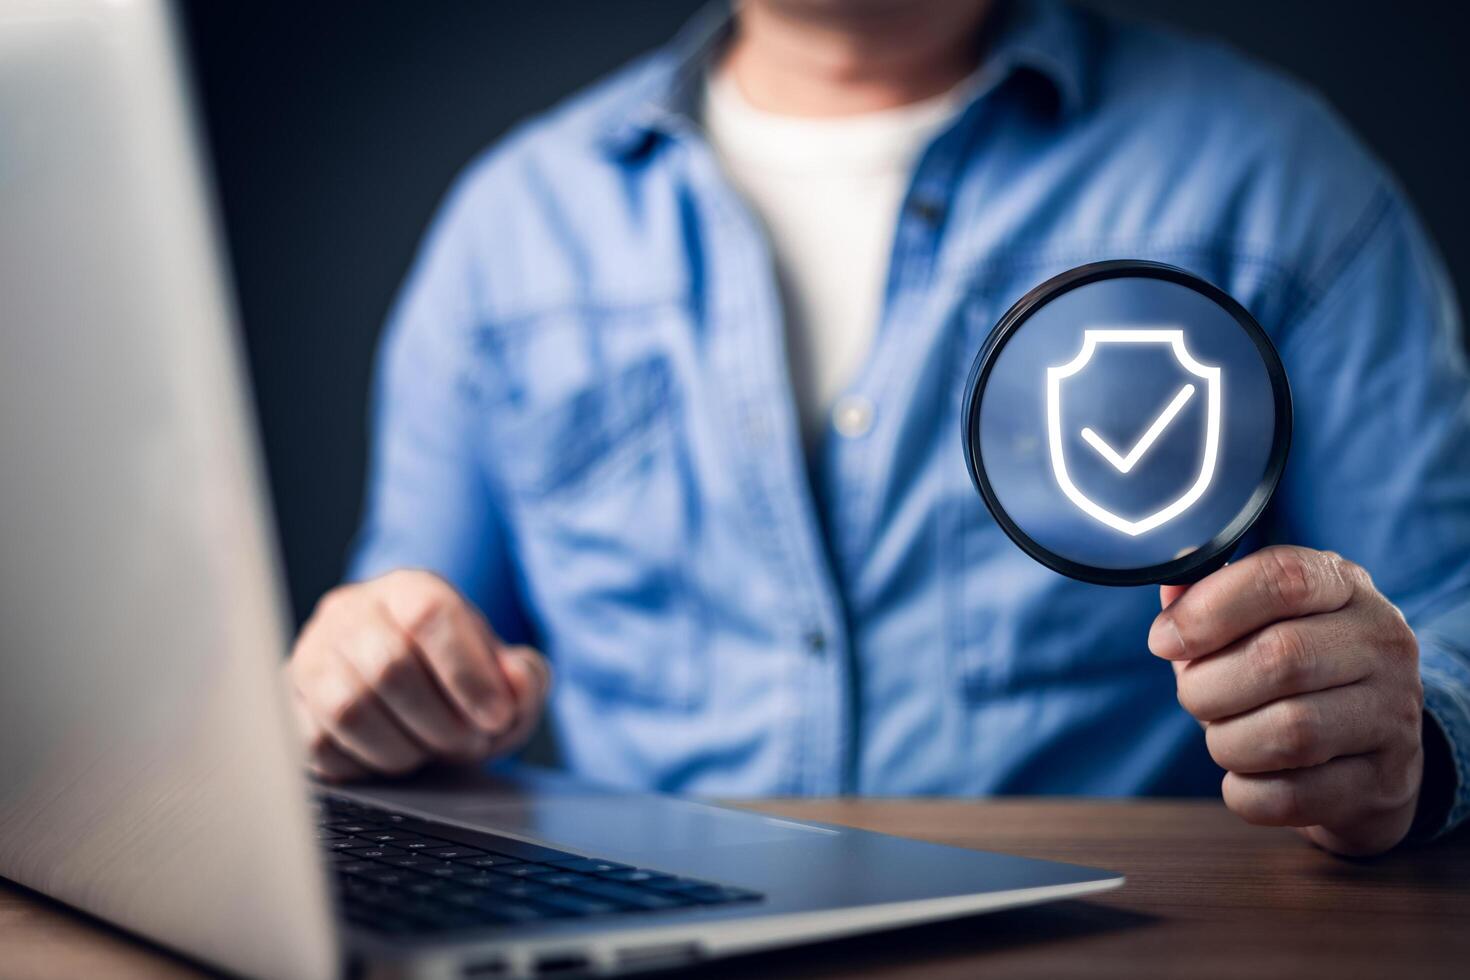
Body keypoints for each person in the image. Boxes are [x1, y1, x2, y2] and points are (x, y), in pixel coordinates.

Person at [286, 0, 1470, 857]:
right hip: (639, 928)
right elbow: (407, 632)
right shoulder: (512, 228)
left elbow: (1450, 614)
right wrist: (366, 678)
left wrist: (1408, 743)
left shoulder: (1274, 179)